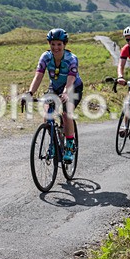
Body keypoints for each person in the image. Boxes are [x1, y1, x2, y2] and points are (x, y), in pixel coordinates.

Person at [22, 28, 83, 163]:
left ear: (64, 45)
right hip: (54, 87)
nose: (55, 47)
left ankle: (70, 145)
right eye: (53, 44)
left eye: (59, 44)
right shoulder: (45, 57)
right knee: (47, 113)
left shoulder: (71, 59)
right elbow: (38, 76)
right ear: (49, 44)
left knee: (67, 113)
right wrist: (30, 92)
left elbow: (71, 79)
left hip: (73, 87)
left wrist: (66, 93)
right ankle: (53, 143)